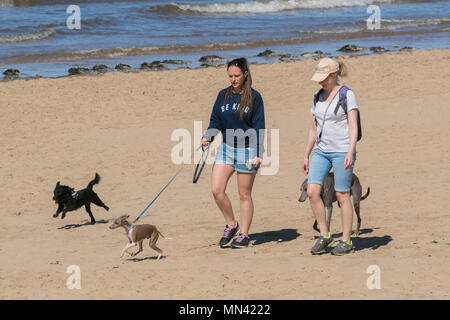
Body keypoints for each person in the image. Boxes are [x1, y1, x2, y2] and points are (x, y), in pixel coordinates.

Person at [201, 57, 265, 249]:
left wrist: (257, 152)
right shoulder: (223, 95)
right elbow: (216, 121)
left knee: (244, 194)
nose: (233, 79)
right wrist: (208, 136)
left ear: (245, 74)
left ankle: (244, 234)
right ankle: (232, 225)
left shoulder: (255, 97)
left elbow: (259, 127)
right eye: (230, 76)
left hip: (247, 151)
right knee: (216, 190)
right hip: (226, 149)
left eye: (237, 75)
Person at [302, 57, 359, 255]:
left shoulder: (347, 94)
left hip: (342, 150)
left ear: (334, 76)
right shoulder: (317, 95)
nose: (320, 81)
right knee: (312, 192)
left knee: (342, 195)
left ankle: (346, 240)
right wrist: (306, 154)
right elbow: (313, 127)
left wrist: (350, 151)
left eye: (324, 78)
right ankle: (325, 235)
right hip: (321, 151)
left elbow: (353, 125)